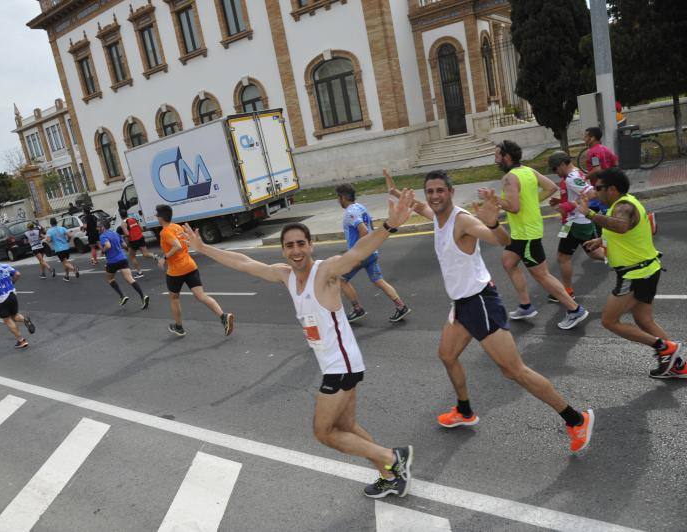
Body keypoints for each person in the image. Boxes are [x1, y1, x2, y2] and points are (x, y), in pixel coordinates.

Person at [182, 191, 417, 498]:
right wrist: (202, 248)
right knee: (347, 427)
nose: (296, 250)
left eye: (301, 244)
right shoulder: (285, 275)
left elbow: (356, 253)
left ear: (310, 245)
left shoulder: (326, 271)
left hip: (341, 364)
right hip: (337, 363)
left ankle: (393, 458)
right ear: (283, 250)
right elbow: (243, 262)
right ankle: (390, 475)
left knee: (324, 433)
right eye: (290, 245)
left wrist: (389, 226)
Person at [389, 170, 594, 452]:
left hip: (480, 302)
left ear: (451, 192)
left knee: (514, 370)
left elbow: (502, 241)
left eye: (440, 190)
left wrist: (494, 222)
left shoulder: (462, 220)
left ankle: (575, 419)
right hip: (461, 304)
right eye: (430, 191)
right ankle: (464, 411)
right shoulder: (437, 216)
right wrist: (397, 194)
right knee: (448, 356)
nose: (434, 196)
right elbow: (419, 207)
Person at [577, 167, 683, 378]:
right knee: (644, 320)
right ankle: (676, 365)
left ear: (612, 189)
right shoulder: (624, 203)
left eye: (599, 188)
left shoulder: (623, 206)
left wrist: (589, 213)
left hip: (635, 274)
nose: (596, 192)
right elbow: (623, 231)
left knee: (609, 321)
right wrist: (600, 241)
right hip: (646, 270)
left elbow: (622, 226)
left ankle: (664, 348)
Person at [485, 140, 589, 329]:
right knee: (508, 262)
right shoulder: (528, 171)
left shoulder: (509, 178)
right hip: (521, 233)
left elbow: (514, 208)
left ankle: (575, 310)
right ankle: (525, 306)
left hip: (525, 234)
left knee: (542, 275)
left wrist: (493, 199)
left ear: (506, 157)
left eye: (497, 156)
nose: (495, 160)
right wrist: (532, 201)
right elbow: (551, 187)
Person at [334, 182, 411, 323]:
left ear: (343, 197)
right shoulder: (361, 207)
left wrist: (359, 253)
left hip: (360, 255)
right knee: (378, 280)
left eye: (338, 197)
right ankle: (401, 306)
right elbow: (370, 227)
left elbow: (363, 230)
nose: (338, 201)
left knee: (340, 279)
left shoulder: (350, 213)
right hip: (372, 252)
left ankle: (357, 309)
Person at [155, 204, 233, 338]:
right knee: (201, 296)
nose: (156, 217)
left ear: (161, 217)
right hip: (190, 266)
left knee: (174, 298)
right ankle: (223, 316)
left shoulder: (165, 231)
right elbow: (183, 243)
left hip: (176, 271)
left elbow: (177, 246)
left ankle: (179, 327)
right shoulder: (177, 227)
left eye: (157, 215)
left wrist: (164, 257)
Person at [546, 151, 605, 300]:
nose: (555, 173)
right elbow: (579, 195)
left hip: (576, 223)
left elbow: (592, 194)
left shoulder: (571, 178)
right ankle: (622, 257)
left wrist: (568, 205)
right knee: (594, 252)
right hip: (577, 221)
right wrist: (560, 202)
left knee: (563, 257)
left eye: (555, 169)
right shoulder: (575, 173)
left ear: (561, 165)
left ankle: (567, 291)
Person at [98, 220, 150, 309]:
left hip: (112, 262)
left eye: (98, 226)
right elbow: (125, 245)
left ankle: (122, 296)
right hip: (122, 259)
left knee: (110, 279)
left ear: (102, 227)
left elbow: (108, 245)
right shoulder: (116, 234)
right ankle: (143, 296)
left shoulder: (103, 236)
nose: (97, 228)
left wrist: (102, 251)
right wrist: (126, 253)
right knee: (130, 279)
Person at [120, 208, 155, 278]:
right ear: (127, 214)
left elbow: (127, 234)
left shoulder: (123, 224)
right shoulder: (134, 219)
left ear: (121, 216)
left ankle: (139, 273)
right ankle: (155, 256)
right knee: (145, 254)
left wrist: (122, 236)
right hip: (141, 238)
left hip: (133, 241)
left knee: (132, 257)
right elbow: (141, 229)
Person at [45, 217, 78, 282]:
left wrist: (48, 239)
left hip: (59, 249)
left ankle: (74, 269)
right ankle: (67, 276)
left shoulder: (49, 231)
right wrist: (68, 240)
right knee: (65, 262)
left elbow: (48, 240)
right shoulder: (62, 228)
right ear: (56, 222)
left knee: (65, 263)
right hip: (66, 247)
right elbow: (70, 235)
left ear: (50, 223)